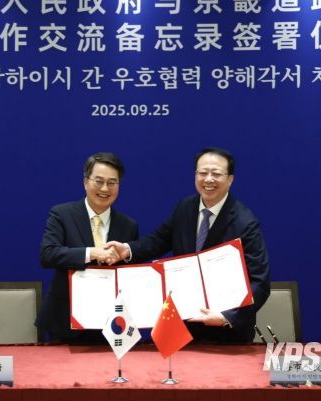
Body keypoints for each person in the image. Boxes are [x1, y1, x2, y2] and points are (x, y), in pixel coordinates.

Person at [106, 147, 270, 343]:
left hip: (226, 335)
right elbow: (158, 241)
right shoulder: (185, 207)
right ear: (195, 176)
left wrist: (227, 317)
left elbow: (259, 282)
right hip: (184, 329)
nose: (208, 179)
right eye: (203, 173)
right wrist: (128, 250)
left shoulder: (245, 222)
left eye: (216, 174)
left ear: (230, 179)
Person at [36, 152, 138, 343]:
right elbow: (48, 254)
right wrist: (91, 253)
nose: (105, 188)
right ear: (85, 182)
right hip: (66, 321)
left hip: (110, 325)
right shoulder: (62, 214)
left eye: (112, 183)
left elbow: (130, 274)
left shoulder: (128, 225)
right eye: (98, 181)